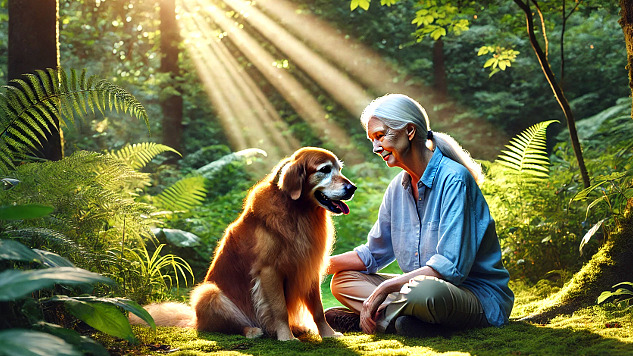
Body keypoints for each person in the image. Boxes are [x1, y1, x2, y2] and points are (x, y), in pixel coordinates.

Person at [325, 94, 514, 337]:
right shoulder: (397, 188)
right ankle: (404, 322)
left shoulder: (455, 179)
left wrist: (385, 288)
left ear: (410, 131)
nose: (375, 148)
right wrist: (317, 265)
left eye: (381, 136)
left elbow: (450, 268)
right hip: (417, 290)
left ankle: (379, 320)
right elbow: (373, 253)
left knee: (424, 293)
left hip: (471, 295)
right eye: (372, 140)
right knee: (342, 281)